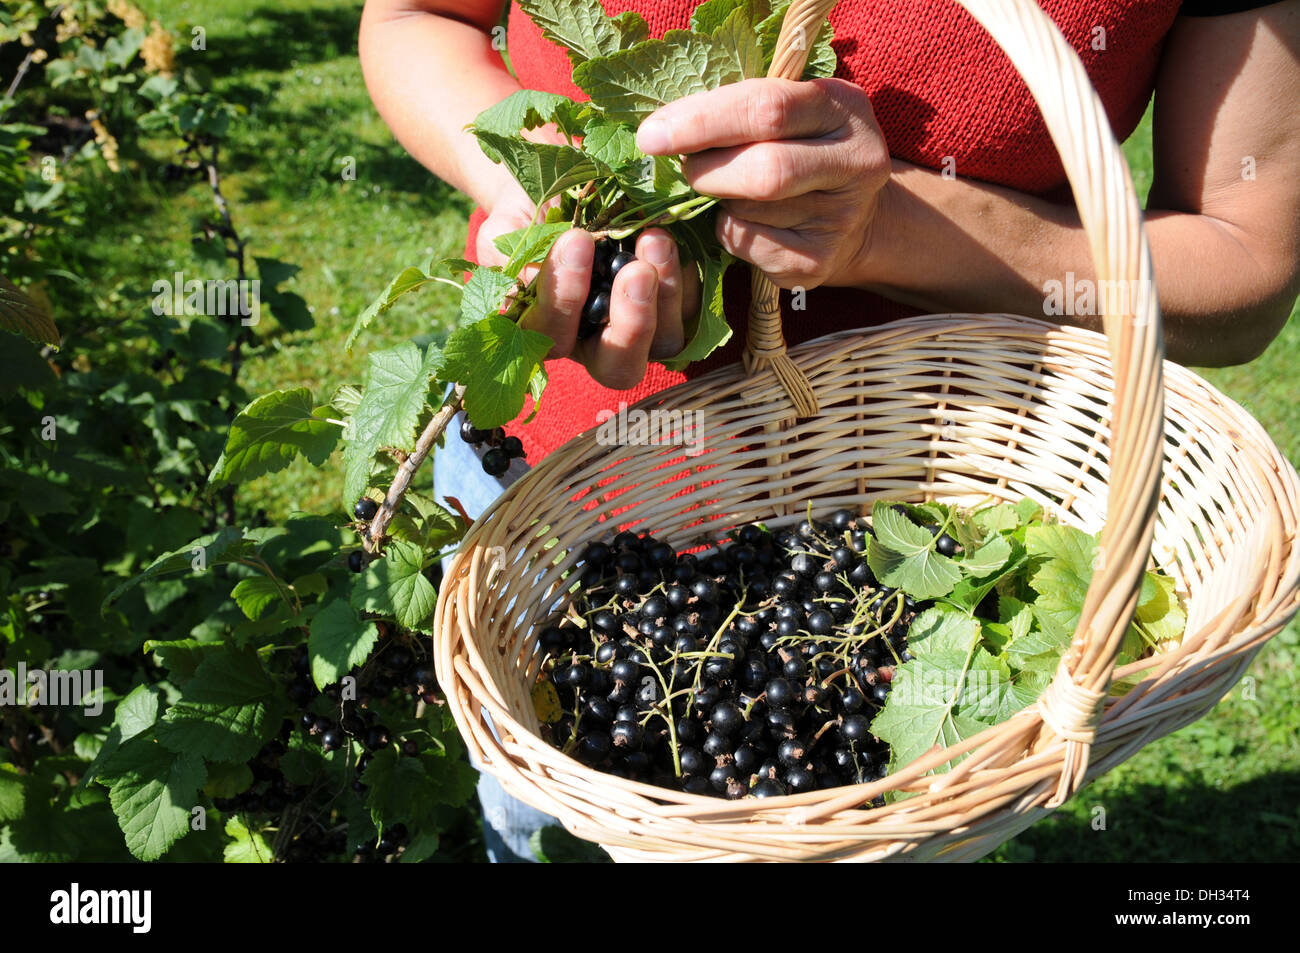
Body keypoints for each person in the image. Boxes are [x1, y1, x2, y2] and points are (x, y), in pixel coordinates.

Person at [360, 0, 1300, 860]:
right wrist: (546, 186)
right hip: (550, 502)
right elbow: (418, 19)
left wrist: (888, 225)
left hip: (903, 534)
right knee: (540, 823)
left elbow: (1244, 263)